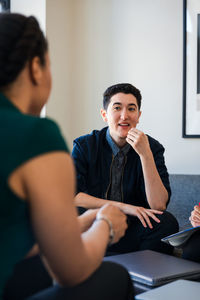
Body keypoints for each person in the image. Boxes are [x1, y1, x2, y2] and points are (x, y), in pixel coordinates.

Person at [0, 13, 134, 300]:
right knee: (116, 274)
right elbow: (70, 271)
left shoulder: (148, 146)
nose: (124, 115)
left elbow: (16, 241)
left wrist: (87, 220)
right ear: (36, 67)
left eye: (132, 108)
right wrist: (106, 224)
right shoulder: (36, 134)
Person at [72, 83, 179, 256]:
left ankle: (140, 273)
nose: (124, 116)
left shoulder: (153, 148)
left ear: (138, 116)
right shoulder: (85, 145)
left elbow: (158, 205)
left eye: (131, 109)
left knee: (166, 222)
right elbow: (74, 196)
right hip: (95, 224)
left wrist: (145, 155)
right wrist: (124, 207)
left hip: (131, 230)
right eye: (117, 108)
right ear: (104, 115)